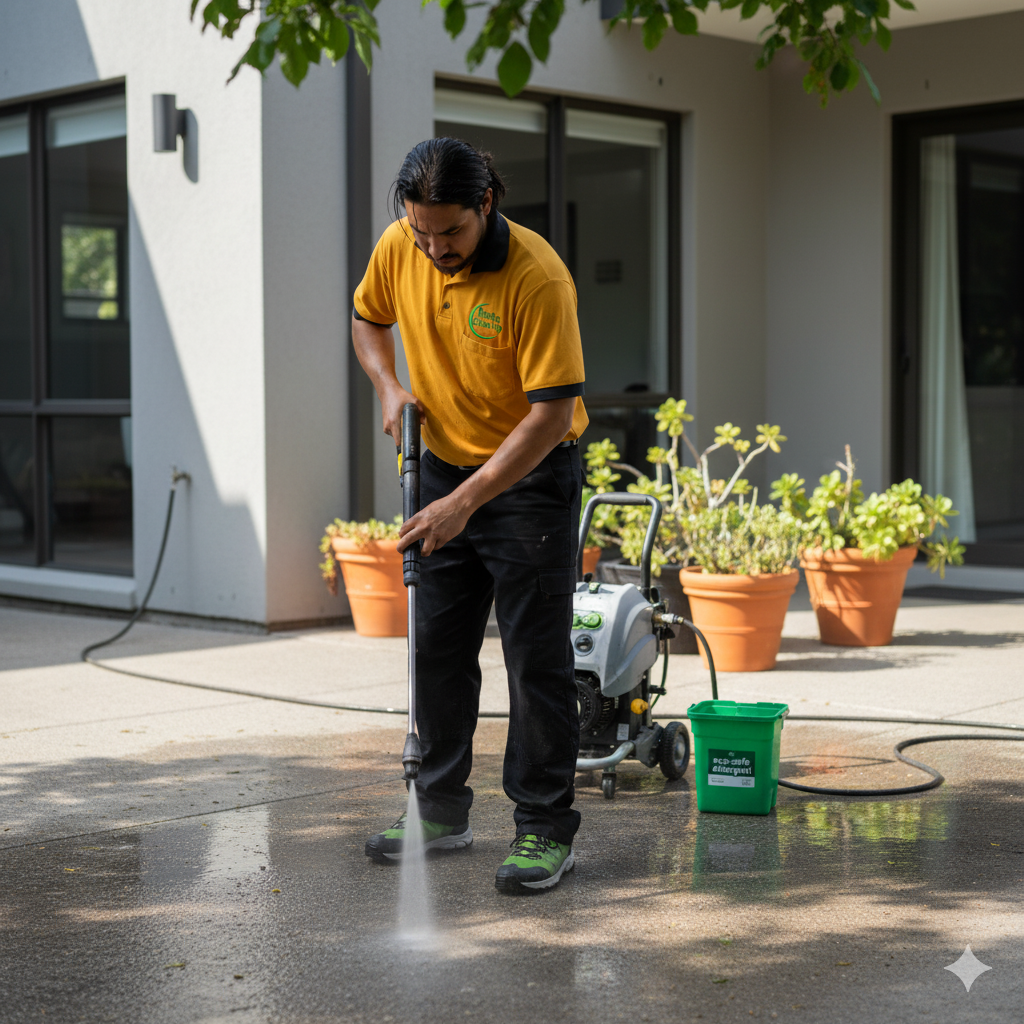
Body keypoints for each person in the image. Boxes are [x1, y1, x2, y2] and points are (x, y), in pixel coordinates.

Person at [352, 137, 588, 893]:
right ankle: (440, 808)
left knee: (535, 661)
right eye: (421, 231)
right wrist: (388, 386)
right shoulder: (403, 244)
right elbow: (366, 319)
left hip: (529, 479)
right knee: (437, 648)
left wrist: (464, 502)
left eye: (448, 232)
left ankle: (546, 830)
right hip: (442, 466)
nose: (433, 247)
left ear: (486, 204)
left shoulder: (537, 278)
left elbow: (551, 416)